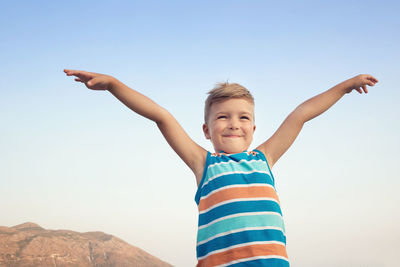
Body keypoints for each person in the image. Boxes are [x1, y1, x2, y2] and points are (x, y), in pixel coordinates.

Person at [64, 69, 378, 266]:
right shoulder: (204, 165)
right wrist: (114, 85)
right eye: (222, 116)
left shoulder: (264, 158)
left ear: (254, 128)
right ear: (206, 129)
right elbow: (162, 116)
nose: (233, 124)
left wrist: (345, 86)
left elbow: (301, 114)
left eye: (243, 117)